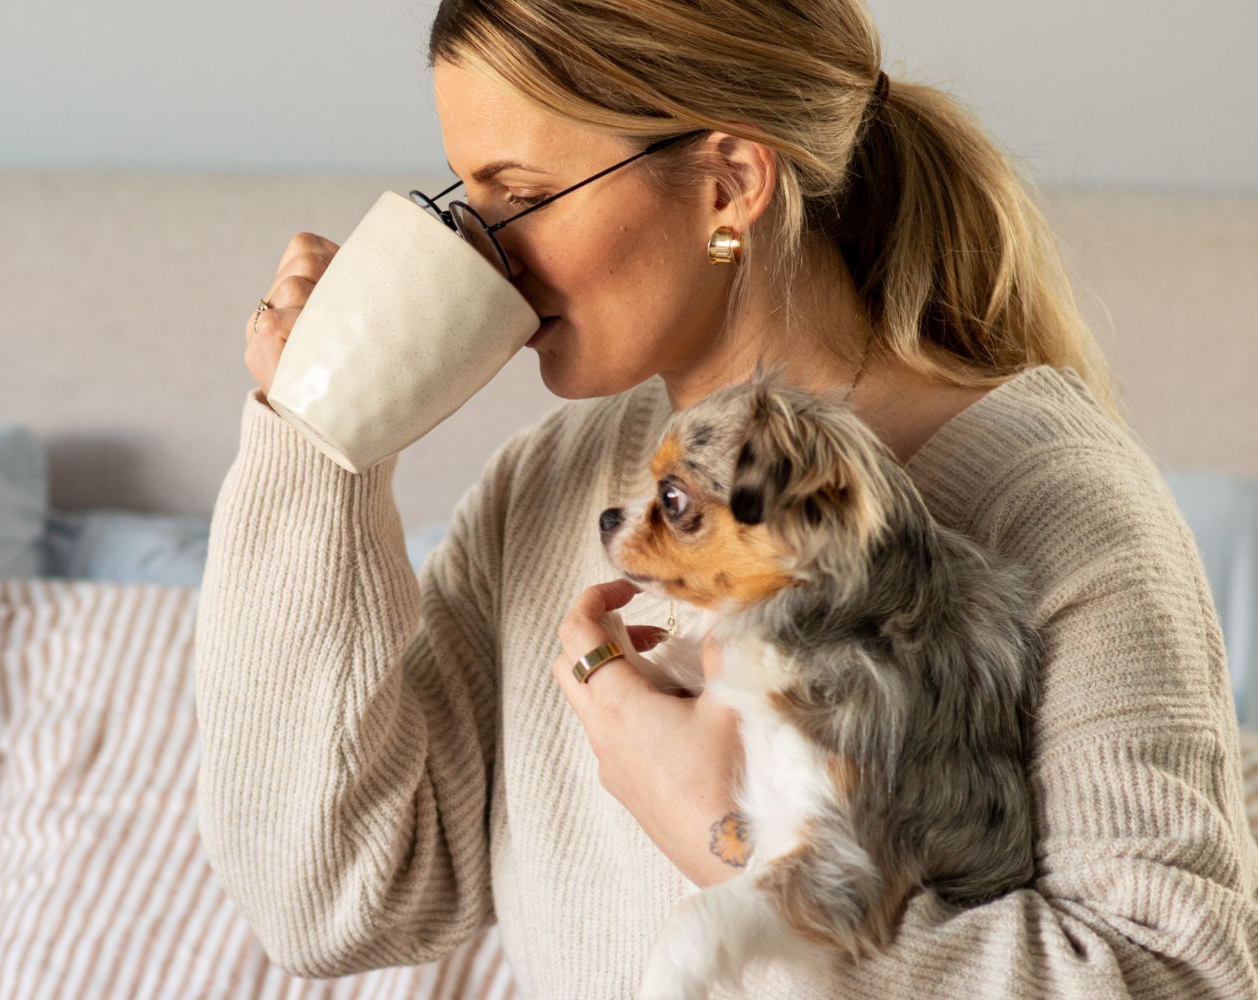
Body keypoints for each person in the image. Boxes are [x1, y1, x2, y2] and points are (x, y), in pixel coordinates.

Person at [192, 0, 1258, 996]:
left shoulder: (1057, 506)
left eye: (519, 194)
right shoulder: (550, 489)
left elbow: (1176, 973)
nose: (483, 252)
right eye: (466, 197)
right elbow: (326, 904)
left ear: (728, 185)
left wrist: (725, 843)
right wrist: (320, 446)